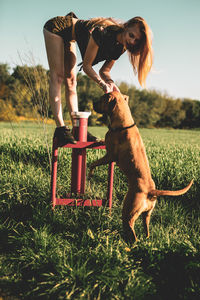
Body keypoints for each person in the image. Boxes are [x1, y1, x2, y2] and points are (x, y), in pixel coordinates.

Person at [43, 12, 153, 145]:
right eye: (131, 35)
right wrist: (102, 84)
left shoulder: (121, 47)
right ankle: (60, 129)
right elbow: (87, 66)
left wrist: (111, 84)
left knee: (72, 81)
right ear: (126, 26)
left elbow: (104, 71)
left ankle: (77, 129)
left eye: (136, 41)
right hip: (57, 28)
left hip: (71, 36)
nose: (132, 41)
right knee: (58, 76)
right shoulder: (102, 33)